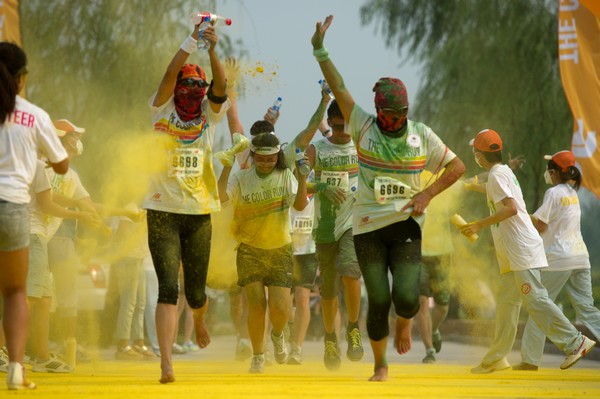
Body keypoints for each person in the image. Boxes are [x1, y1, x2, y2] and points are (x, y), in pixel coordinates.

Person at [310, 16, 466, 381]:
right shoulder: (363, 125)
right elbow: (339, 84)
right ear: (377, 109)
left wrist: (427, 193)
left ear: (408, 111)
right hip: (367, 227)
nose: (395, 120)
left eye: (402, 114)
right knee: (379, 299)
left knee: (409, 298)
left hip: (406, 224)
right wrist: (319, 48)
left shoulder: (421, 135)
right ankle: (380, 365)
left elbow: (457, 166)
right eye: (389, 114)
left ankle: (405, 324)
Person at [459, 129, 596, 374]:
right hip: (515, 251)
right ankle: (497, 358)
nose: (474, 156)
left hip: (522, 249)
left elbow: (510, 208)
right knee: (508, 301)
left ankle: (575, 342)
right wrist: (466, 187)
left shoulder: (498, 175)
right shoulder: (501, 173)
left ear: (479, 156)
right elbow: (495, 191)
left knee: (536, 299)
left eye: (474, 152)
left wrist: (479, 224)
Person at [142, 20, 229, 384]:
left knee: (195, 292)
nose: (193, 88)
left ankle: (199, 317)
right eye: (187, 83)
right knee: (167, 286)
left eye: (199, 84)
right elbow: (168, 71)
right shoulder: (161, 110)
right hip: (162, 209)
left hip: (198, 212)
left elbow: (222, 87)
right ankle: (166, 363)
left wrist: (211, 49)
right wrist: (192, 39)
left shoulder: (210, 117)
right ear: (177, 87)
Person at [0, 41, 69, 390]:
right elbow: (62, 164)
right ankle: (16, 369)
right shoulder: (35, 115)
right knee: (14, 292)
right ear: (23, 78)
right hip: (13, 207)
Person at [217, 133, 309, 374]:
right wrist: (226, 167)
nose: (266, 163)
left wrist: (303, 177)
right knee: (256, 304)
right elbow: (222, 198)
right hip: (249, 249)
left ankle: (278, 335)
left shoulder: (285, 176)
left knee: (280, 307)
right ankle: (258, 355)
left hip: (279, 248)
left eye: (271, 158)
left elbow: (300, 206)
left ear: (277, 157)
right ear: (253, 156)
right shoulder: (241, 178)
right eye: (261, 158)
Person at [513, 150, 600, 371]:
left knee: (539, 305)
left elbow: (540, 225)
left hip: (559, 259)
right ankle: (530, 359)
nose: (546, 174)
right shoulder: (572, 192)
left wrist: (520, 214)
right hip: (581, 258)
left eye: (548, 170)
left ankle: (530, 360)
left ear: (553, 173)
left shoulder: (553, 193)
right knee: (587, 308)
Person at [303, 99, 364, 370]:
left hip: (353, 223)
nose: (341, 132)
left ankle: (353, 328)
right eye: (336, 126)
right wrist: (321, 187)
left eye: (345, 126)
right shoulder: (318, 149)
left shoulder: (362, 147)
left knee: (351, 273)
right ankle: (330, 339)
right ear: (330, 122)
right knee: (328, 290)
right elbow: (300, 182)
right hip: (325, 227)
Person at [415, 171, 455, 364]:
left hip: (443, 254)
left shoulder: (444, 177)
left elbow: (472, 182)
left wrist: (502, 168)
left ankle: (434, 329)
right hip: (418, 253)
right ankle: (429, 349)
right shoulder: (412, 177)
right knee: (422, 303)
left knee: (443, 306)